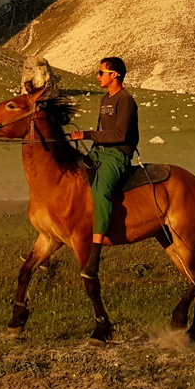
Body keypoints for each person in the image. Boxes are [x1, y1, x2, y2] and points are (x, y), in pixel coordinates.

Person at [69, 57, 139, 281]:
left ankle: (95, 253)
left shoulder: (125, 100)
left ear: (114, 75)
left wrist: (86, 135)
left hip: (117, 155)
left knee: (101, 191)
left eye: (102, 73)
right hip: (99, 151)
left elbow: (120, 135)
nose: (98, 76)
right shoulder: (105, 99)